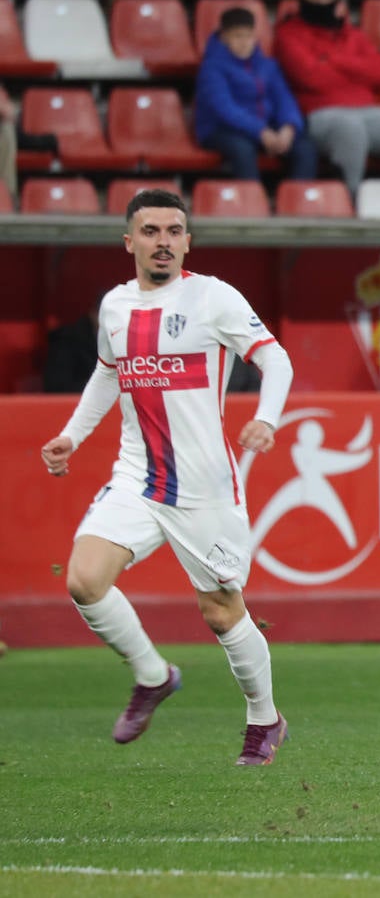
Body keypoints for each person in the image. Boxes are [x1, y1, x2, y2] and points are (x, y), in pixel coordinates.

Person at [38, 189, 293, 766]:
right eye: (151, 231)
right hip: (137, 476)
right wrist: (73, 436)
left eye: (174, 231)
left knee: (222, 612)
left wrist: (266, 418)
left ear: (187, 242)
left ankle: (265, 717)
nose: (163, 241)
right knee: (83, 579)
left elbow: (275, 358)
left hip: (202, 487)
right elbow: (108, 375)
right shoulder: (115, 306)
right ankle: (153, 676)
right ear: (130, 242)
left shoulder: (213, 297)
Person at [274, 0, 380, 193]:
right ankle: (352, 199)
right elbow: (311, 77)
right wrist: (355, 71)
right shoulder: (288, 34)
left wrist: (330, 60)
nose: (322, 2)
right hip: (320, 114)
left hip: (367, 110)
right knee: (350, 128)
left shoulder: (352, 34)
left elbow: (379, 71)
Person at [194, 7, 318, 183]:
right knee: (243, 149)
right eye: (237, 36)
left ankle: (297, 203)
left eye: (248, 36)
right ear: (224, 37)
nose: (244, 42)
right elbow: (225, 109)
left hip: (265, 128)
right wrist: (260, 131)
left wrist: (288, 128)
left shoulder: (267, 65)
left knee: (304, 149)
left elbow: (284, 99)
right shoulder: (212, 67)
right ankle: (250, 204)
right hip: (221, 130)